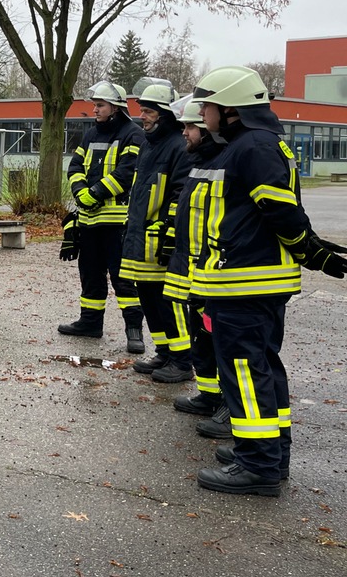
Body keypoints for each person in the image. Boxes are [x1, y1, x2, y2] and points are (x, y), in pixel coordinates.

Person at [188, 66, 345, 495]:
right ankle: (268, 451)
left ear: (231, 108)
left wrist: (309, 250)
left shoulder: (253, 146)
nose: (203, 113)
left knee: (245, 371)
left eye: (208, 105)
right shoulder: (245, 144)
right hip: (246, 280)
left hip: (246, 281)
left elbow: (278, 209)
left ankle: (258, 464)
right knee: (261, 367)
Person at [57, 82, 147, 353]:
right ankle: (90, 323)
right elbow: (75, 165)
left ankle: (134, 331)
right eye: (95, 105)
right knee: (90, 274)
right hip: (89, 221)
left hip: (118, 222)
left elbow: (127, 172)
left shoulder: (134, 134)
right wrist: (80, 191)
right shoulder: (91, 133)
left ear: (116, 108)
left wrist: (93, 193)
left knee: (123, 278)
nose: (94, 109)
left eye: (100, 105)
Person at [120, 82, 196, 383]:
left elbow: (181, 193)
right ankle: (165, 351)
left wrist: (168, 230)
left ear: (165, 114)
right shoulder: (149, 145)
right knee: (149, 297)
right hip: (142, 237)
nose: (143, 117)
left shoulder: (178, 146)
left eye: (149, 111)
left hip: (161, 240)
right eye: (142, 111)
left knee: (169, 301)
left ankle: (182, 360)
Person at [164, 98, 227, 422]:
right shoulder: (200, 161)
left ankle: (227, 404)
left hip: (215, 271)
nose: (185, 132)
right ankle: (209, 394)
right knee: (201, 335)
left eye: (190, 126)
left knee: (218, 338)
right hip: (194, 267)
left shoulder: (225, 162)